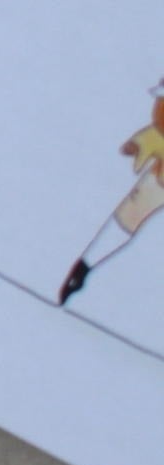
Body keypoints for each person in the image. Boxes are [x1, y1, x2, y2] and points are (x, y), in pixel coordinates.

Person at [59, 79, 164, 304]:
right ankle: (83, 269)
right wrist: (137, 145)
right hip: (158, 183)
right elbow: (153, 136)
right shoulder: (159, 133)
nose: (158, 106)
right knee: (127, 218)